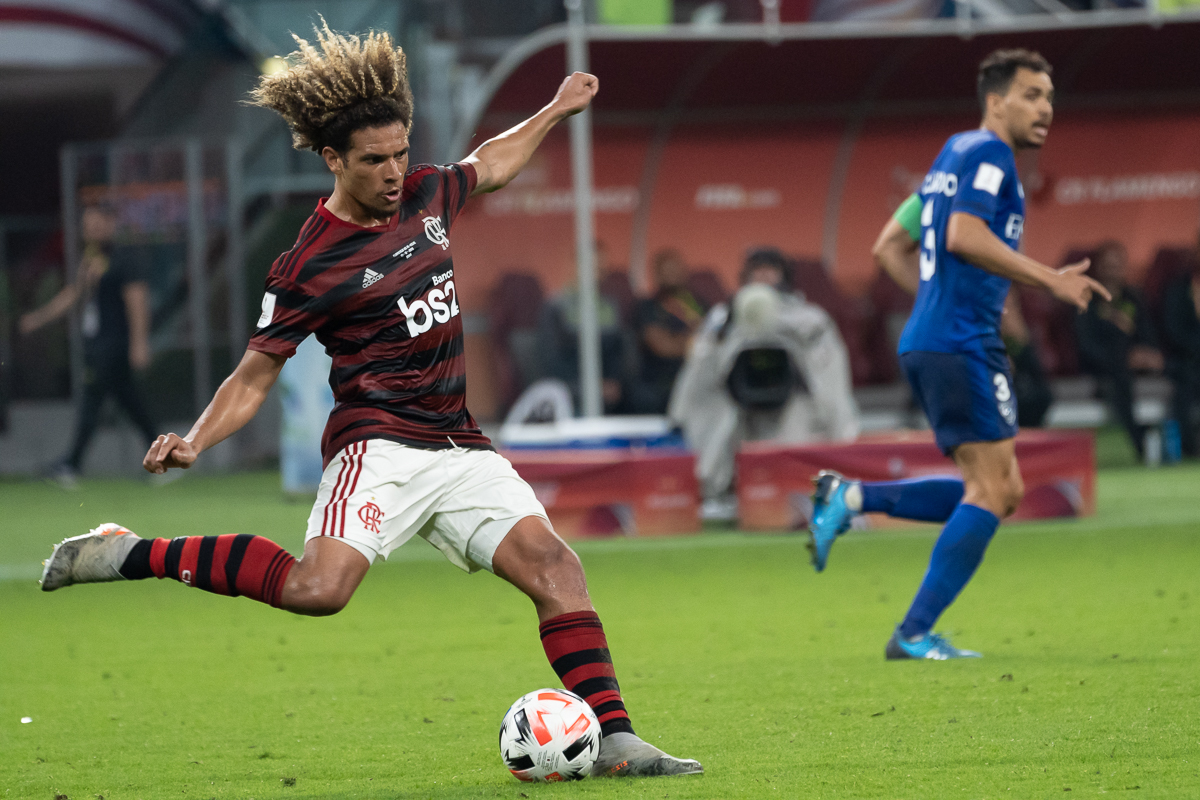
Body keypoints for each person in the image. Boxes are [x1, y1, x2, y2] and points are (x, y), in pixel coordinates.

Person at [38, 23, 700, 779]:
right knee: (319, 591)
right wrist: (196, 439)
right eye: (375, 160)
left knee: (556, 568)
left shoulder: (425, 195)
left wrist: (553, 108)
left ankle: (614, 738)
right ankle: (131, 553)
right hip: (377, 445)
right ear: (333, 159)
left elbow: (490, 164)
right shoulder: (308, 265)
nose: (394, 172)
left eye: (401, 153)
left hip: (457, 442)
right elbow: (254, 375)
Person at [809, 49, 1109, 660]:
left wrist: (940, 301)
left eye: (1049, 96)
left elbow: (889, 244)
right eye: (1031, 95)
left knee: (998, 487)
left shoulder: (954, 153)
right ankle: (913, 633)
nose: (1044, 108)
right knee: (995, 490)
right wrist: (1047, 280)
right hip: (960, 341)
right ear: (995, 100)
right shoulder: (992, 157)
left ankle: (855, 499)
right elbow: (961, 235)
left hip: (934, 336)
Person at [670, 247, 858, 518]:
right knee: (721, 428)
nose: (763, 276)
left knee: (795, 446)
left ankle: (801, 499)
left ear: (783, 275)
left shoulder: (808, 317)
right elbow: (701, 364)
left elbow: (828, 367)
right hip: (736, 403)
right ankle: (723, 495)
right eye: (756, 270)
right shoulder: (723, 317)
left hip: (794, 401)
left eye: (770, 270)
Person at [874, 192, 1053, 427]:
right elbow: (887, 249)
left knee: (1030, 401)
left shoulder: (984, 196)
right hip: (952, 342)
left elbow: (886, 249)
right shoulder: (937, 195)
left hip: (971, 341)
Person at [20, 202, 156, 487]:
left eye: (96, 224)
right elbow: (74, 294)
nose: (91, 231)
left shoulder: (124, 257)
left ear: (110, 224)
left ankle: (71, 464)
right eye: (87, 226)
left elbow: (137, 301)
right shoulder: (91, 258)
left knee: (93, 399)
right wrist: (38, 318)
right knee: (130, 401)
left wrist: (139, 344)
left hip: (115, 343)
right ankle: (166, 458)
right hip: (97, 342)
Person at [1074, 240, 1164, 459]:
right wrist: (1124, 359)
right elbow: (1086, 345)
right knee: (1120, 377)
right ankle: (1139, 441)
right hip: (1101, 366)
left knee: (1181, 370)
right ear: (1098, 267)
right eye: (1108, 265)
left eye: (1118, 265)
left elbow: (1149, 336)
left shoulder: (1134, 297)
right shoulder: (1086, 299)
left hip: (1134, 365)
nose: (1113, 271)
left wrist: (1147, 355)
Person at [627, 248, 707, 414]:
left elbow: (715, 342)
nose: (672, 275)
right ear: (657, 275)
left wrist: (682, 340)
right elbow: (664, 347)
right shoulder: (647, 307)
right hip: (660, 381)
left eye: (676, 269)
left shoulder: (699, 305)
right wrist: (695, 339)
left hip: (699, 379)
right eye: (667, 271)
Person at [1161, 243, 1200, 457]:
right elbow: (1173, 329)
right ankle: (1190, 449)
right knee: (1185, 381)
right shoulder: (1178, 289)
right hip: (1185, 360)